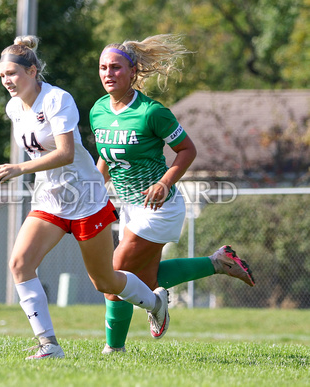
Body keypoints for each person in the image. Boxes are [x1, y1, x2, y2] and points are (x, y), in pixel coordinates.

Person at [0, 35, 172, 360]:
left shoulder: (57, 99)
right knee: (20, 264)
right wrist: (26, 171)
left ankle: (156, 303)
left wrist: (19, 168)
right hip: (49, 200)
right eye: (2, 76)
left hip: (86, 197)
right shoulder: (14, 108)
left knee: (105, 281)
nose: (7, 81)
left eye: (12, 74)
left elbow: (66, 153)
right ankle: (49, 345)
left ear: (32, 71)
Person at [90, 34, 256, 354]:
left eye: (116, 67)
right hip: (128, 207)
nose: (108, 73)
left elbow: (187, 150)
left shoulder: (153, 112)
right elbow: (106, 157)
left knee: (114, 275)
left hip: (160, 207)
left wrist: (164, 182)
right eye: (103, 68)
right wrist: (94, 186)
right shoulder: (97, 110)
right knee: (144, 279)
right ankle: (218, 262)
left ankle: (118, 347)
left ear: (133, 71)